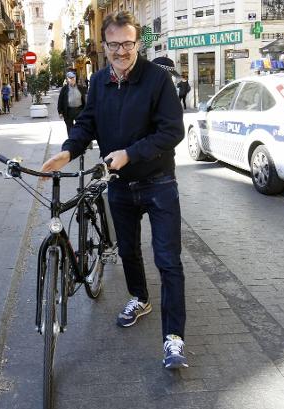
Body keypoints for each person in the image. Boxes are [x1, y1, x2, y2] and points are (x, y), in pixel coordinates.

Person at [41, 10, 188, 369]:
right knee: (128, 252)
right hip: (120, 186)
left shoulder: (157, 80)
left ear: (137, 43)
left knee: (167, 260)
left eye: (127, 43)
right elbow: (87, 123)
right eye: (114, 44)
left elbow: (173, 131)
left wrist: (129, 153)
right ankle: (139, 298)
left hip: (158, 183)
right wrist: (67, 151)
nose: (121, 51)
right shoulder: (100, 83)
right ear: (104, 47)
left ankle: (174, 339)